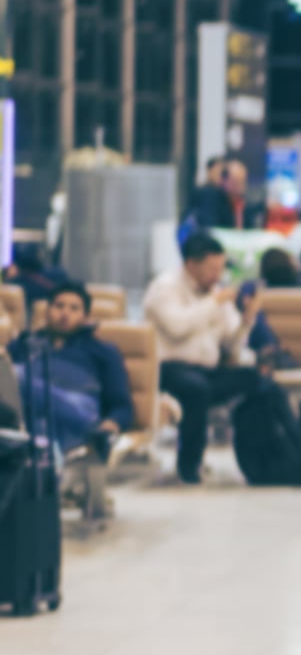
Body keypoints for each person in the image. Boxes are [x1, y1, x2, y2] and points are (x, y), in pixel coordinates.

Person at [8, 281, 135, 521]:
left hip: (79, 409)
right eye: (59, 306)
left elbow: (121, 404)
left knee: (22, 377)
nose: (65, 313)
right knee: (37, 417)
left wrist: (113, 424)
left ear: (86, 316)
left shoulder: (102, 351)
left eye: (74, 308)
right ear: (48, 311)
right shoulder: (25, 345)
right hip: (33, 413)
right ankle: (47, 480)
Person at [144, 233, 262, 485]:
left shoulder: (214, 293)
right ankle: (189, 466)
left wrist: (246, 320)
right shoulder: (165, 288)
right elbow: (177, 326)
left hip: (207, 370)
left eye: (220, 268)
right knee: (195, 389)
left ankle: (261, 459)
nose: (218, 275)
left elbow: (230, 344)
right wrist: (213, 303)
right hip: (169, 368)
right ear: (191, 264)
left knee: (256, 379)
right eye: (212, 268)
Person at [190, 159, 251, 232]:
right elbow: (209, 229)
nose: (240, 186)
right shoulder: (211, 198)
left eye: (243, 181)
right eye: (236, 181)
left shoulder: (243, 204)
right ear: (225, 180)